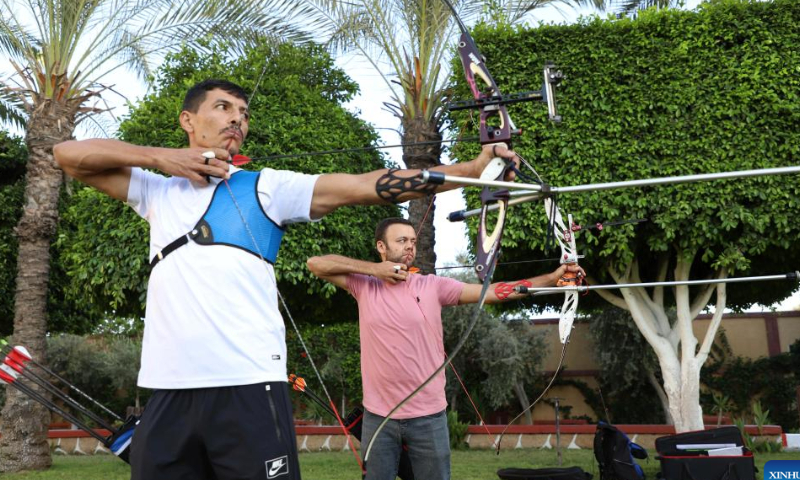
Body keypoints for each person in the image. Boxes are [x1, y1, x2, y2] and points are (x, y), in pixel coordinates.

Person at [53, 79, 520, 480]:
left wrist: (472, 172)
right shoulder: (155, 190)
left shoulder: (266, 188)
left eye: (243, 113)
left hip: (248, 386)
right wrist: (164, 159)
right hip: (168, 391)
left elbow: (367, 185)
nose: (237, 119)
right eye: (223, 108)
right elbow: (68, 155)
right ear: (188, 121)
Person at [306, 217, 585, 480]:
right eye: (401, 240)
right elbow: (316, 263)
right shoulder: (364, 286)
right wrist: (374, 269)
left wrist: (551, 279)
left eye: (413, 241)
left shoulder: (432, 286)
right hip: (379, 418)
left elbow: (492, 291)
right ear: (381, 247)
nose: (410, 247)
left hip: (428, 418)